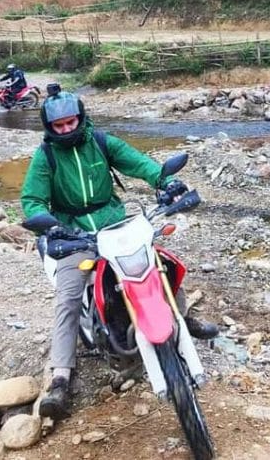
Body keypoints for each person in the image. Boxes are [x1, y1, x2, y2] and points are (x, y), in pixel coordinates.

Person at [21, 88, 218, 419]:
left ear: (80, 118)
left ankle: (179, 318)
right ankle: (60, 377)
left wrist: (162, 180)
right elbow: (32, 199)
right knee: (68, 297)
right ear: (49, 126)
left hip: (115, 222)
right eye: (60, 125)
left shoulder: (99, 140)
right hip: (74, 232)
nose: (67, 129)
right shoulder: (46, 157)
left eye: (71, 122)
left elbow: (135, 161)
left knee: (159, 265)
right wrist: (51, 225)